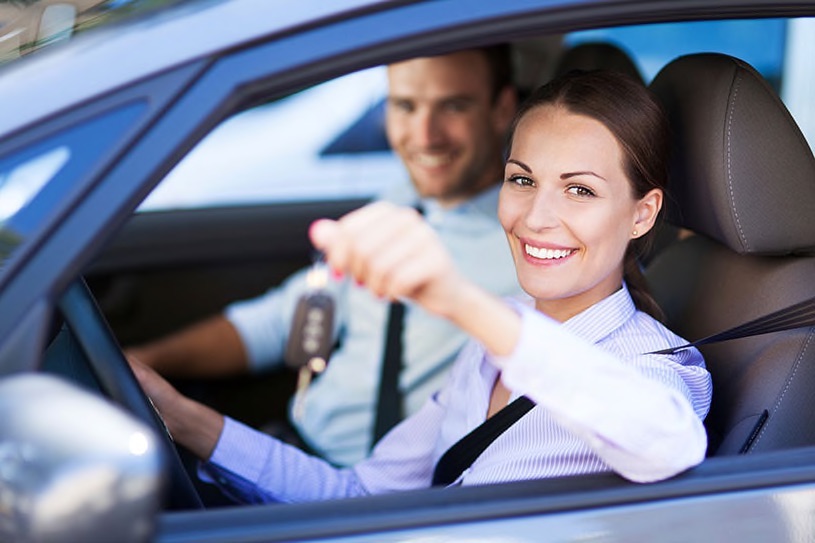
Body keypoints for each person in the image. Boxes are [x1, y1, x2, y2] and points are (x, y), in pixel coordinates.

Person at [131, 69, 712, 503]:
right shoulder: (490, 349)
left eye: (579, 190)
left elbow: (668, 442)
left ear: (642, 213)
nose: (536, 217)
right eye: (522, 180)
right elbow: (359, 498)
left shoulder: (657, 364)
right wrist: (181, 417)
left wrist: (460, 301)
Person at [126, 45, 523, 466]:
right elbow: (287, 319)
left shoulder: (531, 249)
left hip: (373, 498)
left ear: (502, 110)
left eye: (454, 106)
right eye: (405, 106)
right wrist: (143, 363)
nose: (425, 135)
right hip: (293, 449)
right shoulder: (401, 201)